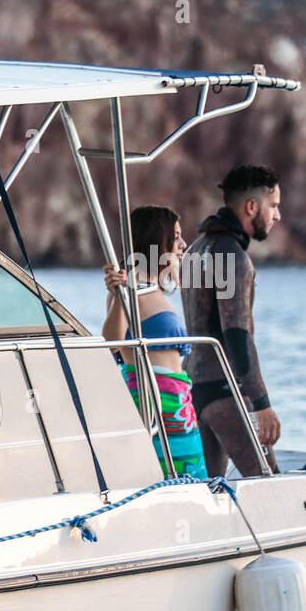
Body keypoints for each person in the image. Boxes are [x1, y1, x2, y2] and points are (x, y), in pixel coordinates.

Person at [180, 164, 282, 477]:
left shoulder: (197, 249)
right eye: (274, 205)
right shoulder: (233, 257)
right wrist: (261, 403)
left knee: (211, 492)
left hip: (195, 388)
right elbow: (236, 334)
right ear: (252, 206)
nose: (277, 215)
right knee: (270, 486)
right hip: (226, 393)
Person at [101, 206, 207, 480]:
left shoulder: (154, 289)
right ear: (154, 241)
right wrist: (120, 294)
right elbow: (111, 344)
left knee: (189, 473)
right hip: (153, 402)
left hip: (178, 400)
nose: (183, 245)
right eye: (176, 237)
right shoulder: (129, 287)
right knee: (168, 476)